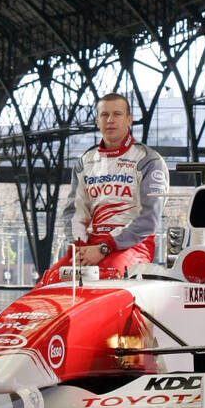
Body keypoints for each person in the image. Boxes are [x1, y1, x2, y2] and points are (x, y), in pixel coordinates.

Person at [39, 93, 169, 284]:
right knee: (50, 280)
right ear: (98, 122)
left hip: (132, 247)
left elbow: (149, 219)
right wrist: (81, 246)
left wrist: (104, 248)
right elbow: (73, 213)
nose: (110, 120)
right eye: (104, 115)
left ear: (129, 120)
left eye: (117, 114)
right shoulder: (86, 162)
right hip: (87, 249)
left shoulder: (149, 160)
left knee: (107, 278)